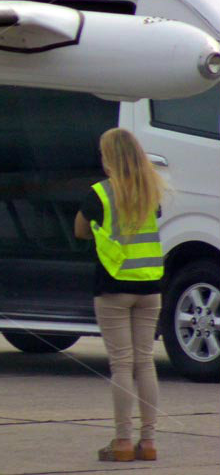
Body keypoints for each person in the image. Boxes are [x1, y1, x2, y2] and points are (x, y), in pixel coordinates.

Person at [74, 128, 164, 462]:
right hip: (150, 285)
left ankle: (123, 441)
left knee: (122, 365)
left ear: (109, 158)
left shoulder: (100, 193)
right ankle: (149, 441)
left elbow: (80, 230)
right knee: (145, 362)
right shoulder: (152, 189)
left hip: (113, 285)